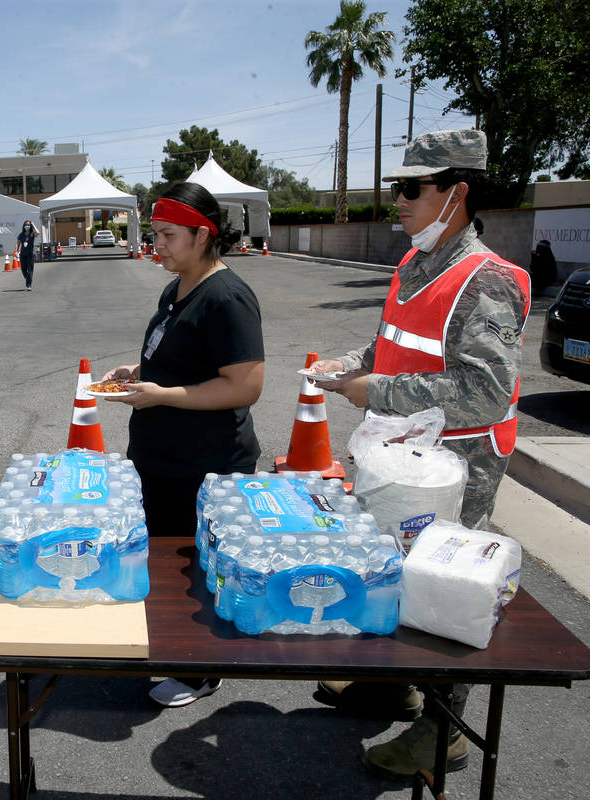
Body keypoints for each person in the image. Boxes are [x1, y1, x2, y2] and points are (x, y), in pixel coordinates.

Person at [309, 129, 531, 779]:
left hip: (458, 473)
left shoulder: (487, 280)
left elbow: (486, 394)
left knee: (447, 589)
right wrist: (345, 366)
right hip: (404, 462)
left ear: (456, 193)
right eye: (396, 187)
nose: (398, 199)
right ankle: (393, 686)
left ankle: (446, 730)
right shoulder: (414, 265)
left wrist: (375, 389)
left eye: (412, 187)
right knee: (396, 573)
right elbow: (389, 347)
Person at [101, 182, 264, 709]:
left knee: (195, 568)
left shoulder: (227, 297)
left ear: (203, 234)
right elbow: (176, 355)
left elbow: (245, 385)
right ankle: (173, 647)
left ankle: (199, 669)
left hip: (205, 463)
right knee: (166, 564)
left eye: (169, 235)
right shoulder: (177, 287)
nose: (159, 245)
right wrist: (139, 370)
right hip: (163, 456)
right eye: (155, 234)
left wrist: (163, 393)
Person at [16, 219, 37, 290]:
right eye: (26, 225)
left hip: (31, 255)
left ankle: (29, 285)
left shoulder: (32, 233)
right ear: (23, 226)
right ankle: (28, 280)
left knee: (30, 270)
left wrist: (33, 225)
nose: (27, 226)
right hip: (23, 254)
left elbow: (38, 233)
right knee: (23, 269)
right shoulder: (21, 234)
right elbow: (18, 243)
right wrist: (16, 250)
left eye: (28, 225)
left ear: (30, 226)